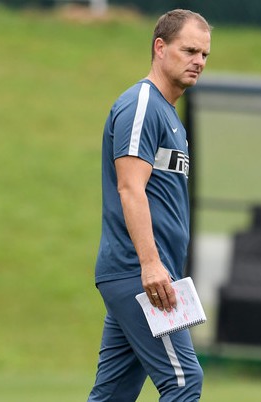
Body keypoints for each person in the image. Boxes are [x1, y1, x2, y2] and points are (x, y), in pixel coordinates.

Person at [87, 9, 212, 402]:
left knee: (113, 394)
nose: (198, 61)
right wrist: (151, 264)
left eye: (204, 54)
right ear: (160, 47)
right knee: (183, 381)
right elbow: (130, 188)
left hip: (147, 274)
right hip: (139, 273)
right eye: (189, 50)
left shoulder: (169, 115)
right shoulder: (142, 104)